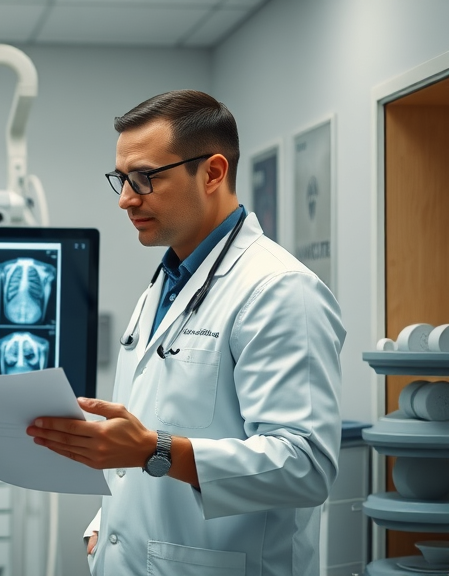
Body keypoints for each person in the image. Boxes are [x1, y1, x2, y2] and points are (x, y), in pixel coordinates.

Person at [26, 90, 345, 576]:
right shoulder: (166, 283)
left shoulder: (280, 290)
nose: (127, 199)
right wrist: (106, 521)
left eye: (145, 178)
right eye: (122, 179)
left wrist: (153, 451)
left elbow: (305, 466)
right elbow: (156, 428)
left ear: (213, 172)